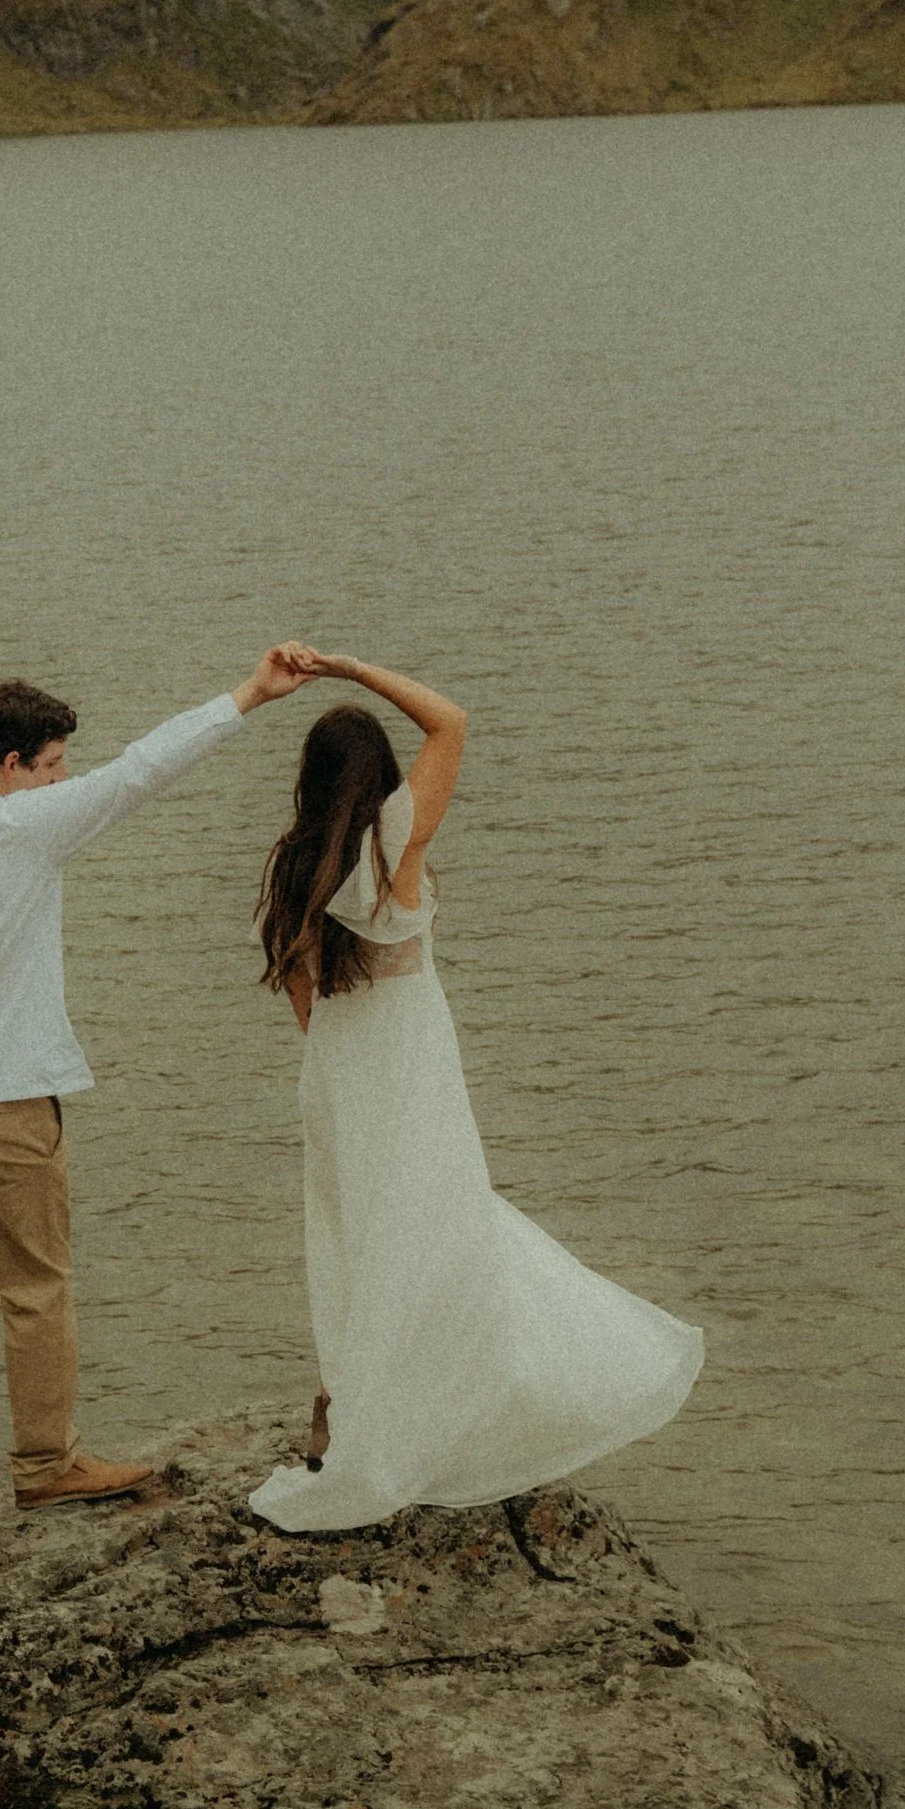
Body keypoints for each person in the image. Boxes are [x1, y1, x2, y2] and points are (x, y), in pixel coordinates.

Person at [0, 646, 301, 1533]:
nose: (61, 781)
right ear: (13, 766)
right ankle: (46, 1463)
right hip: (5, 1102)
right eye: (52, 766)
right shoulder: (26, 826)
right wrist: (248, 695)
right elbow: (143, 770)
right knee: (36, 1287)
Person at [248, 646, 702, 1534]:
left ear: (310, 783)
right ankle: (439, 1408)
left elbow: (304, 1000)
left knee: (352, 1241)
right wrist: (351, 668)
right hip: (411, 1069)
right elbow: (450, 720)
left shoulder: (296, 866)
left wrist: (341, 1064)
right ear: (378, 777)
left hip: (338, 1075)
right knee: (439, 1232)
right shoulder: (396, 840)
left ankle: (344, 1402)